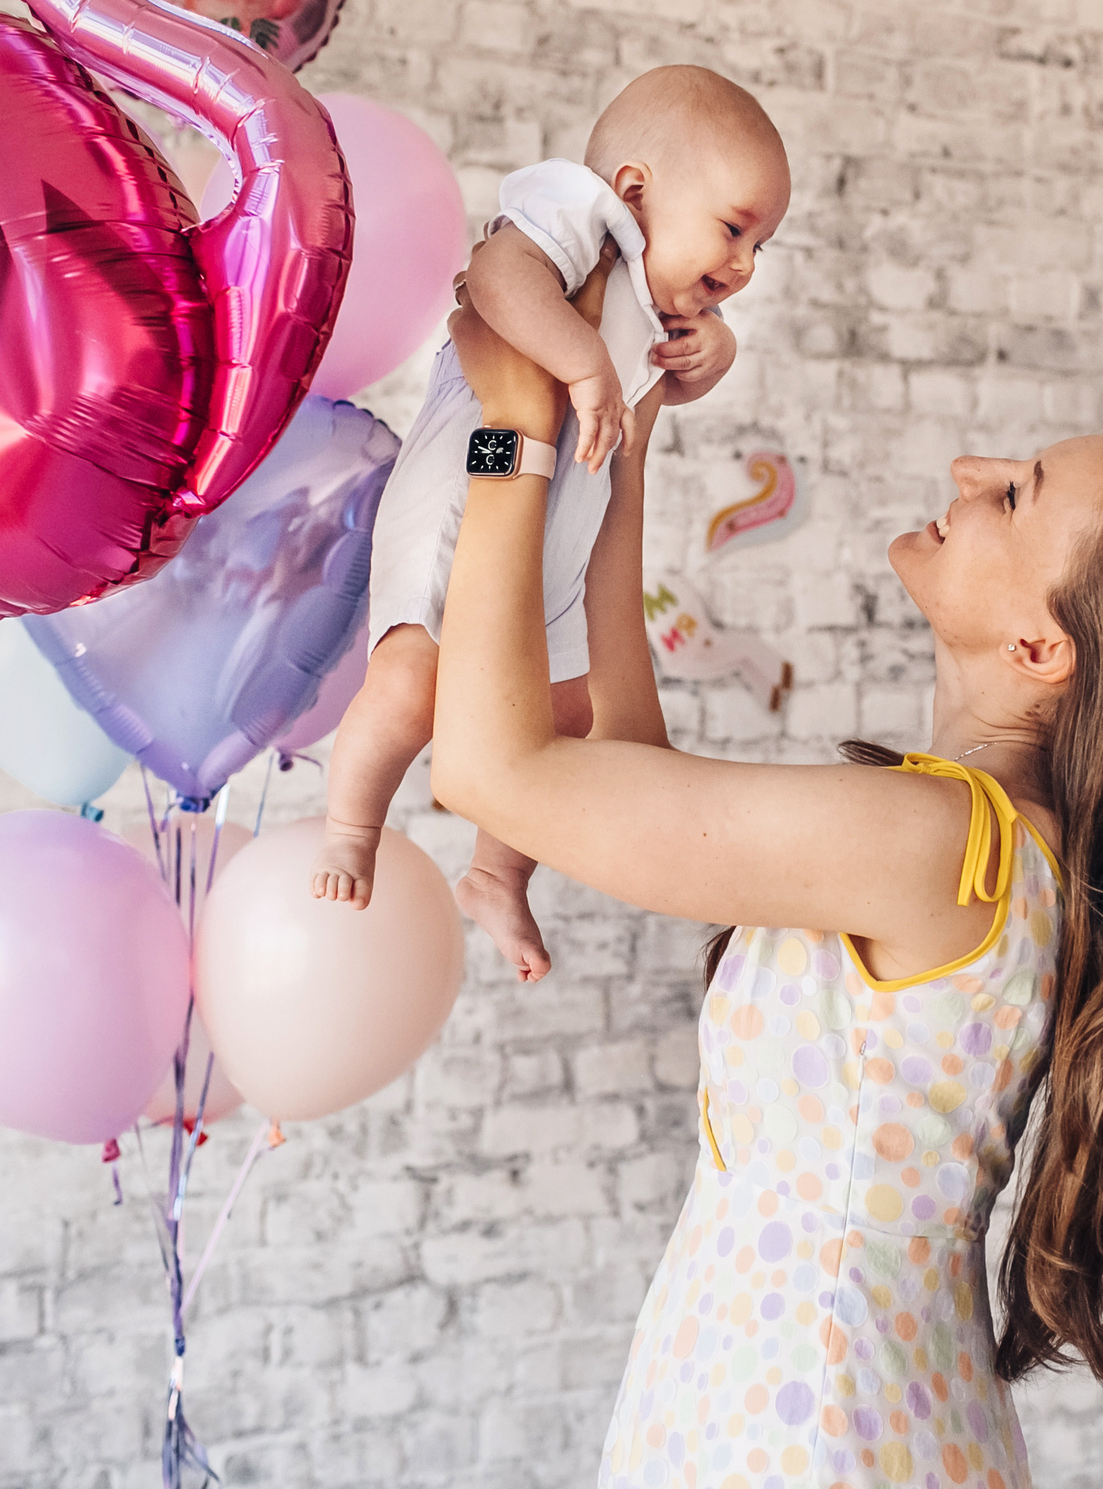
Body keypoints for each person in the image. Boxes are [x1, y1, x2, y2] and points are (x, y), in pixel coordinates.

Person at [428, 299, 1103, 1487]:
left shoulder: (942, 841)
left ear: (1041, 650)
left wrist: (511, 431)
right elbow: (629, 768)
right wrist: (623, 435)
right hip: (809, 1399)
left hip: (807, 1424)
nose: (969, 470)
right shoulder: (983, 841)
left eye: (1016, 494)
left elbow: (490, 771)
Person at [311, 65, 792, 982]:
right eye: (734, 229)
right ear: (636, 191)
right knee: (412, 684)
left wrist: (714, 353)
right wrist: (580, 362)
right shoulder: (583, 218)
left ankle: (496, 873)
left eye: (760, 247)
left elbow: (657, 397)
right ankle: (349, 828)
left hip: (555, 545)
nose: (742, 266)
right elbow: (498, 276)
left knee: (564, 718)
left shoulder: (654, 300)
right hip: (465, 493)